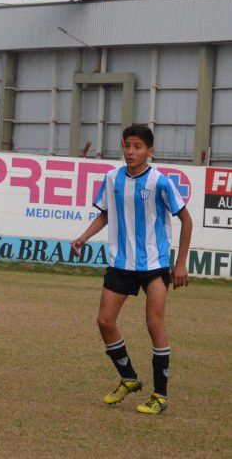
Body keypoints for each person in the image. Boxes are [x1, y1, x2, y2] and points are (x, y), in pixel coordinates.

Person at [71, 124, 192, 415]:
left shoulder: (160, 182)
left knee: (154, 324)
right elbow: (105, 214)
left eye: (137, 146)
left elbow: (186, 221)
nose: (130, 151)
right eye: (127, 145)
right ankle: (128, 378)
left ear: (150, 151)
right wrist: (84, 236)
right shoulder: (112, 178)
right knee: (104, 321)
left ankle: (160, 396)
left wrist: (181, 264)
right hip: (121, 263)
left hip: (154, 265)